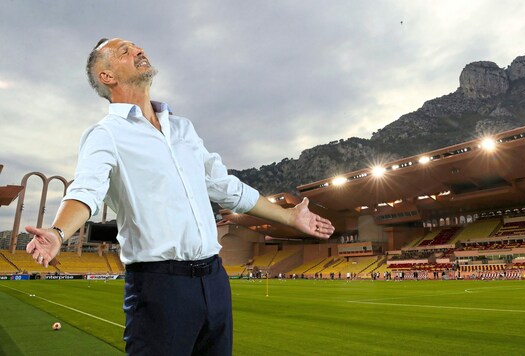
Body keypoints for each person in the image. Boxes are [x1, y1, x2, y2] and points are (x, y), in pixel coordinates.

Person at [25, 37, 334, 356]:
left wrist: (289, 216)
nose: (138, 50)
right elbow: (86, 190)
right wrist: (58, 232)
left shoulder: (183, 128)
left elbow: (226, 187)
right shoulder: (106, 134)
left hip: (215, 280)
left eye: (136, 46)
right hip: (160, 287)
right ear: (107, 76)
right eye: (124, 51)